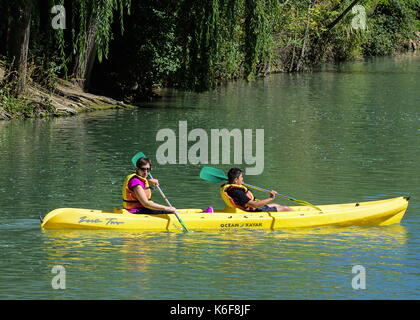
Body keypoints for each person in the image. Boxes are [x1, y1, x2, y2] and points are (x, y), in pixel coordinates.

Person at [220, 168, 293, 212]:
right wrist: (271, 198)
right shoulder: (237, 192)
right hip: (253, 211)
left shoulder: (229, 187)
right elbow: (255, 205)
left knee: (276, 205)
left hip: (244, 209)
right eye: (241, 177)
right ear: (236, 180)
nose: (242, 179)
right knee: (285, 208)